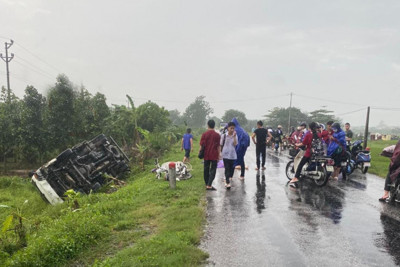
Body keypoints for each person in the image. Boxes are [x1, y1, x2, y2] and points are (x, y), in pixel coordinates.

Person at [289, 122, 321, 187]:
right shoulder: (319, 134)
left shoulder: (308, 134)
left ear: (309, 127)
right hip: (318, 152)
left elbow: (303, 143)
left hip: (310, 152)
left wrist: (297, 144)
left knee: (300, 164)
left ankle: (296, 177)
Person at [200, 120, 221, 191]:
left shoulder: (204, 134)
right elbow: (218, 146)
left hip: (206, 154)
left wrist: (200, 152)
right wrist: (219, 155)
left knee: (206, 169)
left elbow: (202, 145)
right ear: (214, 126)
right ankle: (209, 184)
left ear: (208, 125)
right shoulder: (217, 135)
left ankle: (207, 184)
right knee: (213, 169)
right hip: (214, 154)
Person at [221, 122, 238, 189]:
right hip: (225, 154)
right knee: (227, 168)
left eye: (233, 128)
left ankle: (229, 177)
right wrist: (220, 153)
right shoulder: (224, 135)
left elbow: (235, 144)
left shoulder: (235, 136)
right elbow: (221, 144)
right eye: (231, 128)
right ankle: (227, 182)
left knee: (232, 168)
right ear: (228, 128)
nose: (232, 129)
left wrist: (234, 137)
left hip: (232, 154)